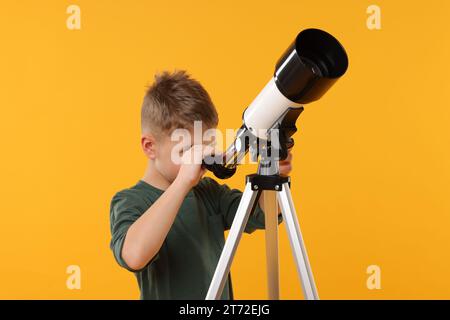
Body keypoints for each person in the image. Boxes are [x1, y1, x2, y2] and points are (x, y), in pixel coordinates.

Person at [109, 70, 293, 299]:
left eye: (204, 148)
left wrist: (272, 172)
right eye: (187, 150)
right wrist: (182, 183)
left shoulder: (208, 193)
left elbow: (265, 215)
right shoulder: (130, 201)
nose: (198, 160)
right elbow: (134, 255)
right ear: (150, 146)